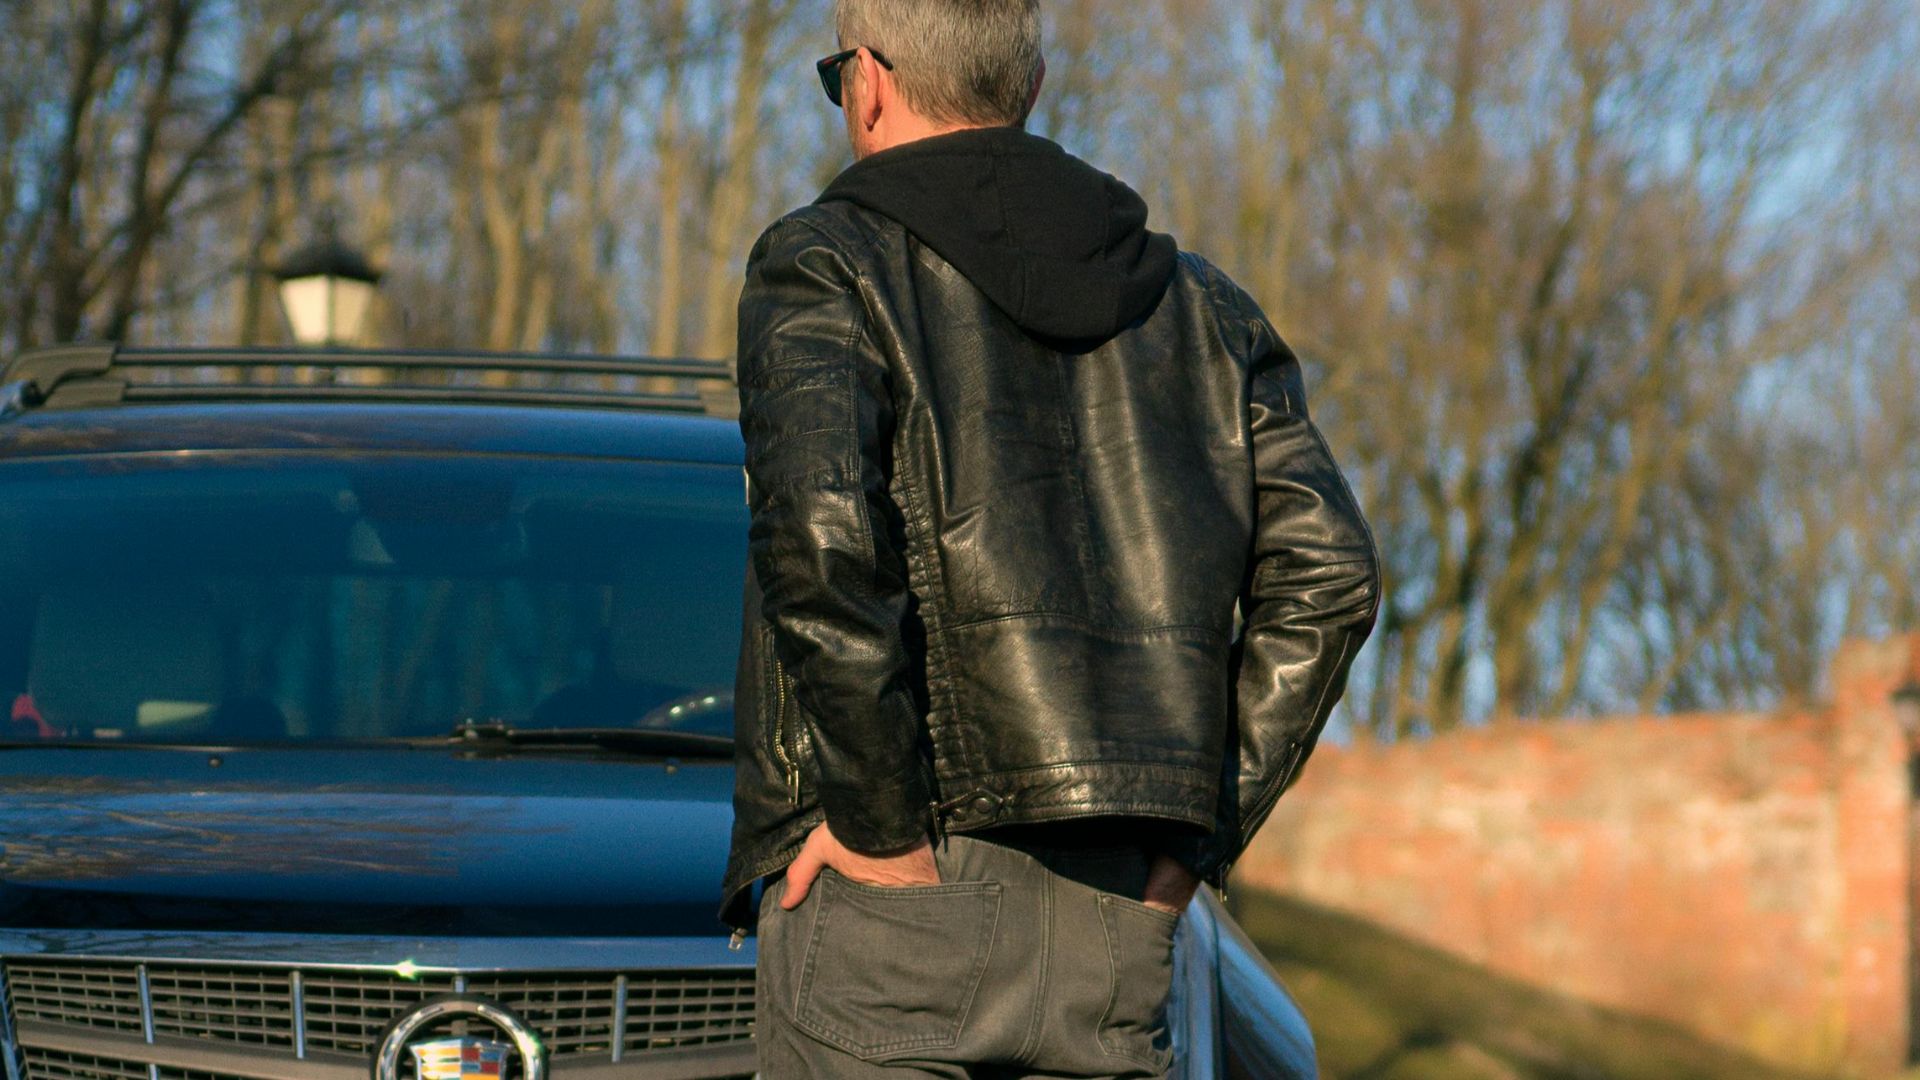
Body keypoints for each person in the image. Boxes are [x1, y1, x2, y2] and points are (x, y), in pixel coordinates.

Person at [717, 1, 1381, 1075]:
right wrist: (1191, 837)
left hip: (899, 891)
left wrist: (882, 828)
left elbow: (825, 545)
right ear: (1026, 91)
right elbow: (1331, 578)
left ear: (867, 83)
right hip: (1115, 915)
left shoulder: (825, 265)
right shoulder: (1206, 311)